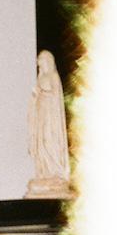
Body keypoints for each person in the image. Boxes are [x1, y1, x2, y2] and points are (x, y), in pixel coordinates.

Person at [27, 50, 71, 198]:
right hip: (41, 116)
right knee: (41, 143)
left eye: (40, 60)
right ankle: (45, 173)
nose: (38, 62)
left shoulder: (52, 76)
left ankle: (54, 172)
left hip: (50, 118)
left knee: (49, 141)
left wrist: (41, 92)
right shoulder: (41, 77)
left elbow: (53, 95)